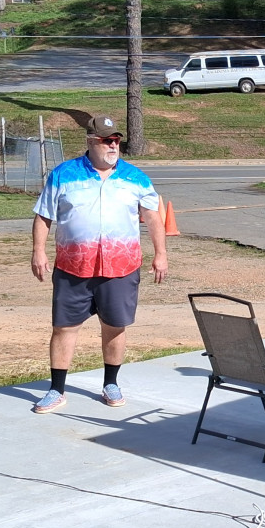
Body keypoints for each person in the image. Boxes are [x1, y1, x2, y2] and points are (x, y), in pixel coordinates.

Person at [30, 115, 168, 413]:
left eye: (116, 140)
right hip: (73, 267)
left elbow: (153, 216)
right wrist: (38, 251)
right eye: (107, 140)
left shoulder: (136, 177)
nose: (113, 145)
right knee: (64, 328)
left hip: (121, 267)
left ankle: (111, 383)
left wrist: (161, 254)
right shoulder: (64, 174)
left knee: (115, 326)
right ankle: (56, 390)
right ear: (91, 141)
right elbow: (43, 215)